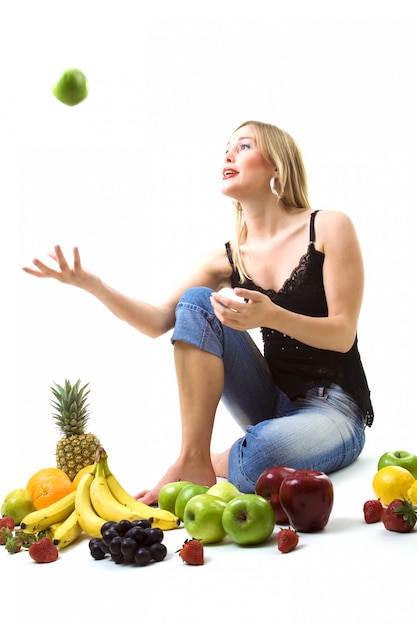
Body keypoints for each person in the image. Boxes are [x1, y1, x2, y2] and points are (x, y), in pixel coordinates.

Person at [23, 120, 374, 505]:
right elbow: (158, 321)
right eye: (226, 148)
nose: (228, 154)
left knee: (261, 456)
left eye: (243, 146)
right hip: (269, 402)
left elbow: (342, 334)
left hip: (335, 409)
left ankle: (213, 460)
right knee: (195, 300)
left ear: (277, 165)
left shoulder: (327, 226)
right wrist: (94, 285)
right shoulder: (227, 256)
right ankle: (191, 457)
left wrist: (271, 316)